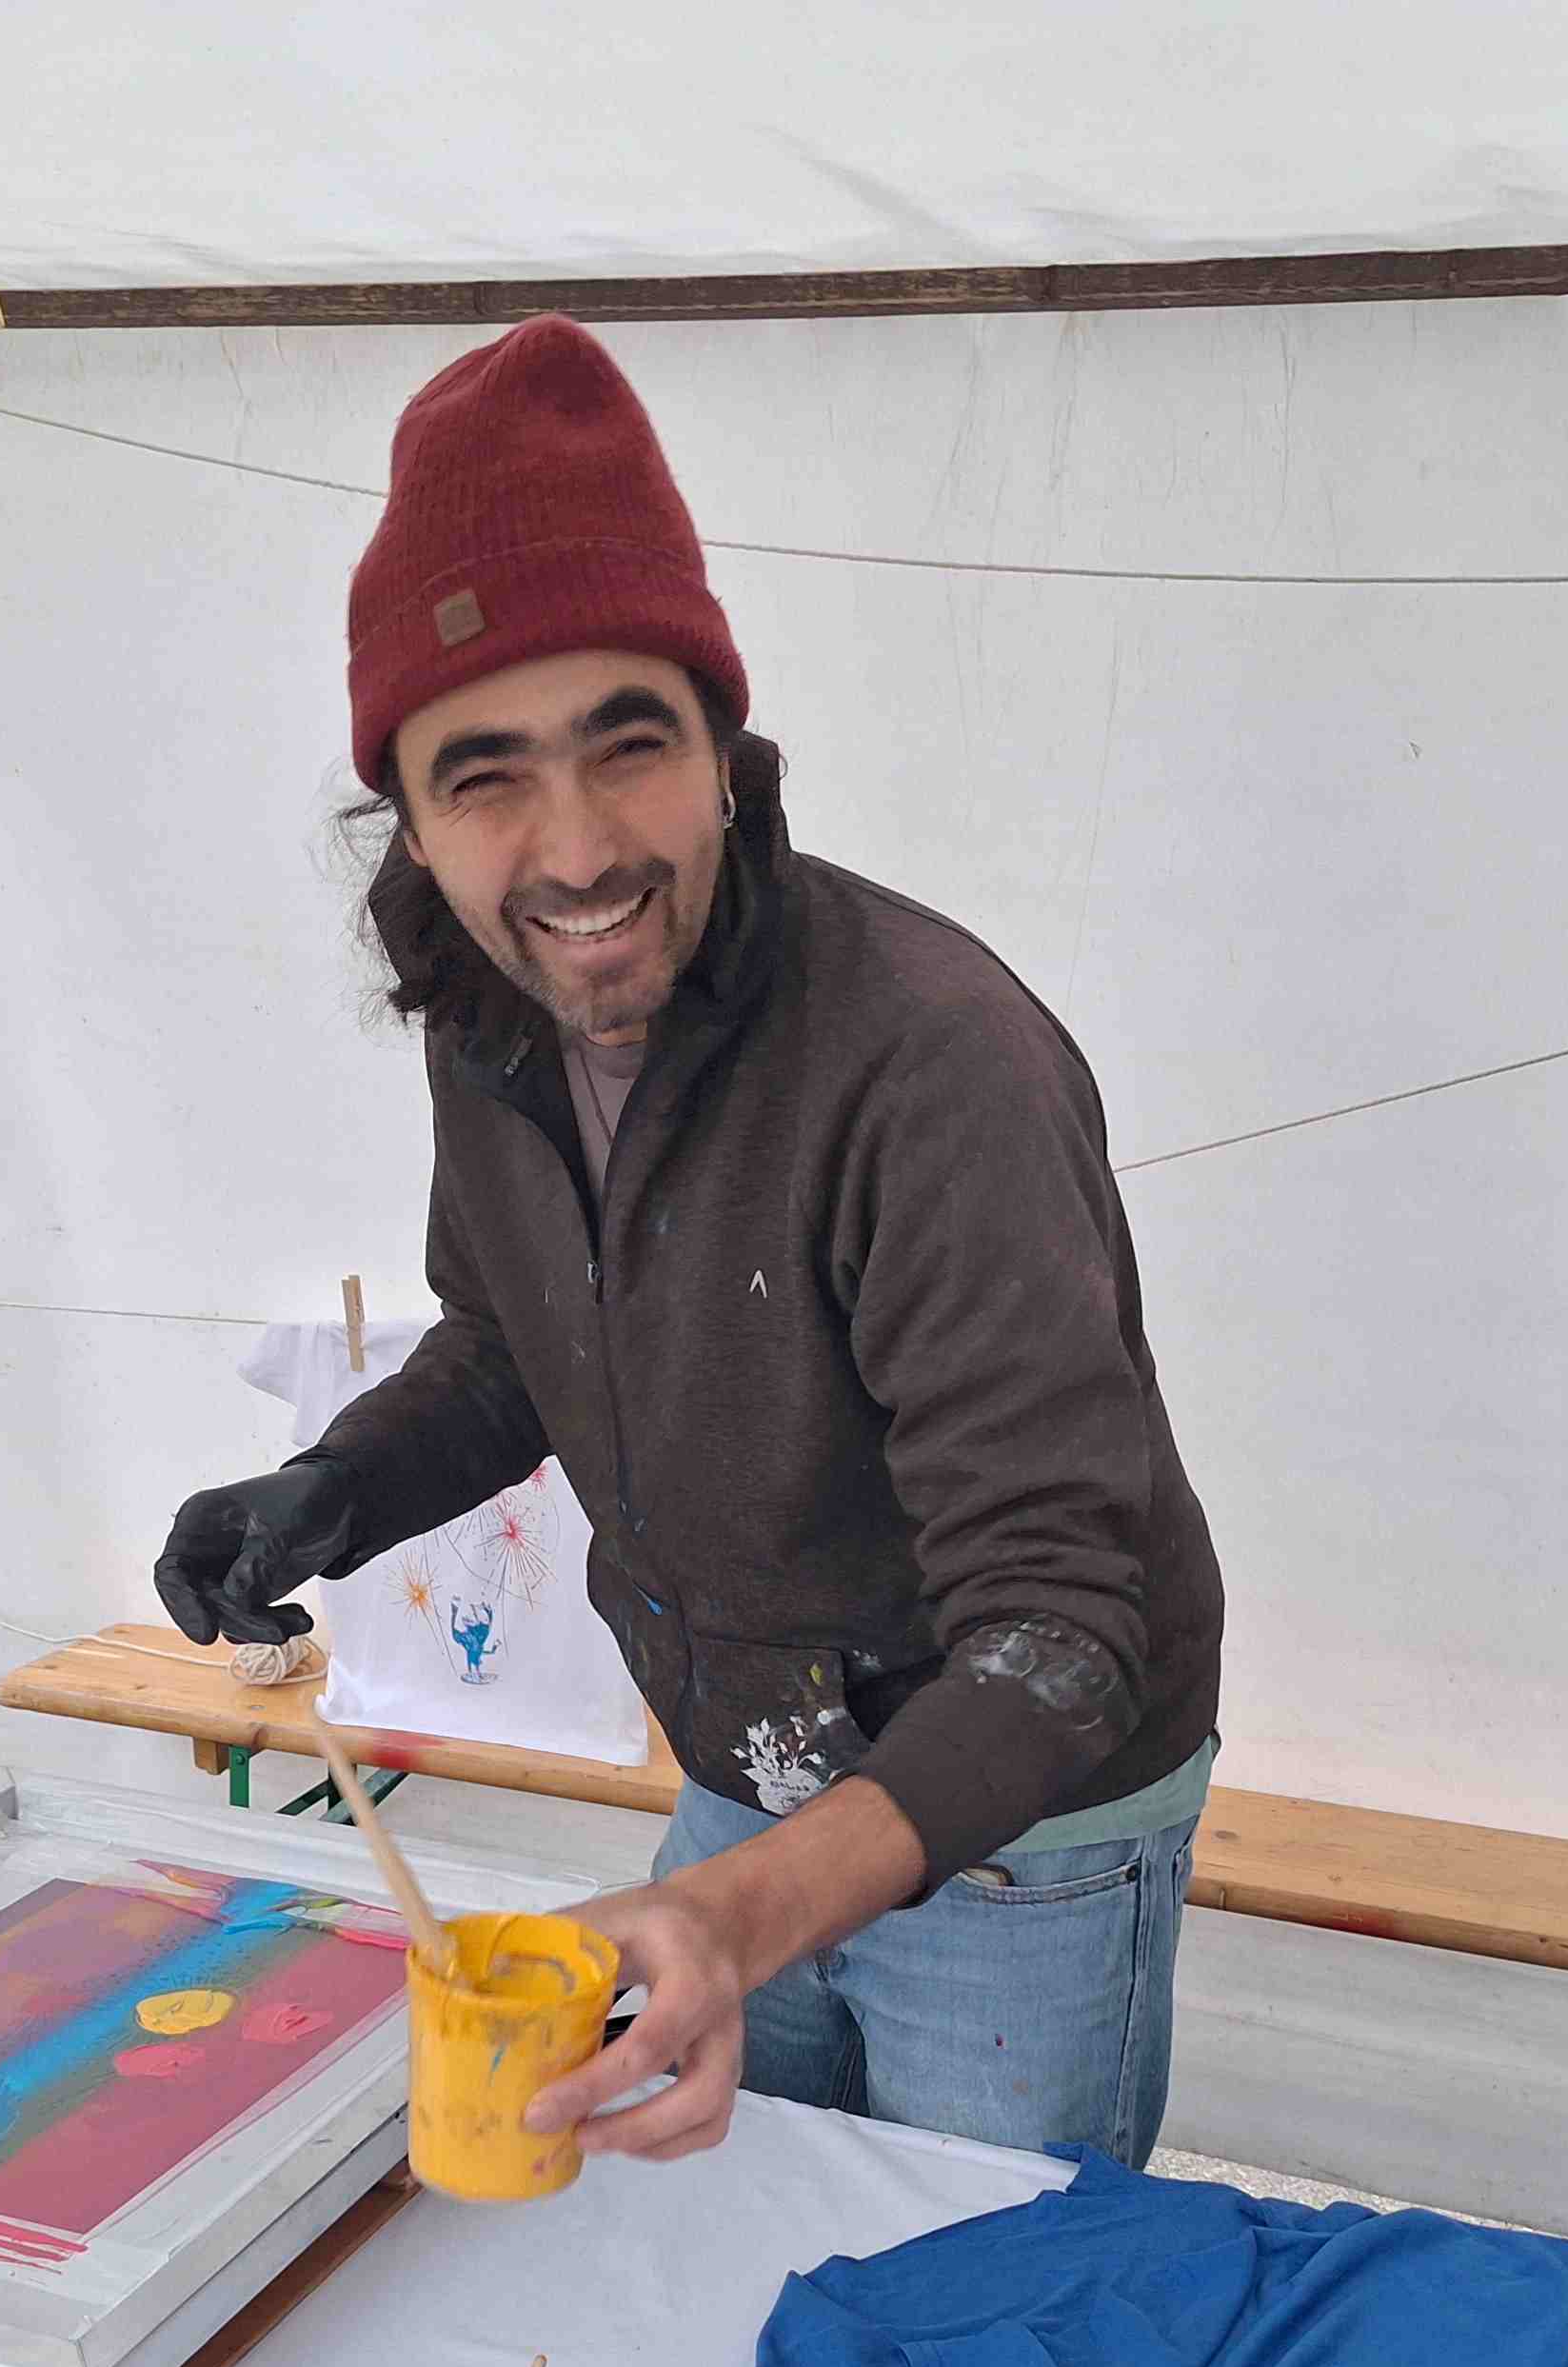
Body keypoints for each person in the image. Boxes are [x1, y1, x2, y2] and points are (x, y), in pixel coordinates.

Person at [155, 317, 1222, 2171]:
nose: (576, 853)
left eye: (627, 745)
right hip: (753, 1753)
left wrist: (734, 1918)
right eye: (487, 774)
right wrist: (335, 1489)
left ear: (721, 751)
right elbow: (516, 1344)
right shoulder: (492, 1023)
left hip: (1025, 1812)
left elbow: (1060, 1630)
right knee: (729, 2228)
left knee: (969, 2286)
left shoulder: (932, 1064)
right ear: (410, 820)